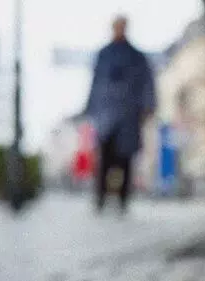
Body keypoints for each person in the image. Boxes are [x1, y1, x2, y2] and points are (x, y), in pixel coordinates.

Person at [84, 15, 156, 214]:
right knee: (104, 159)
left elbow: (147, 83)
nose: (119, 30)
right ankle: (100, 198)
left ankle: (123, 200)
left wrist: (147, 107)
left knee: (125, 160)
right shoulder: (103, 55)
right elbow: (95, 84)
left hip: (128, 115)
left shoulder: (137, 57)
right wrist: (90, 110)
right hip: (106, 116)